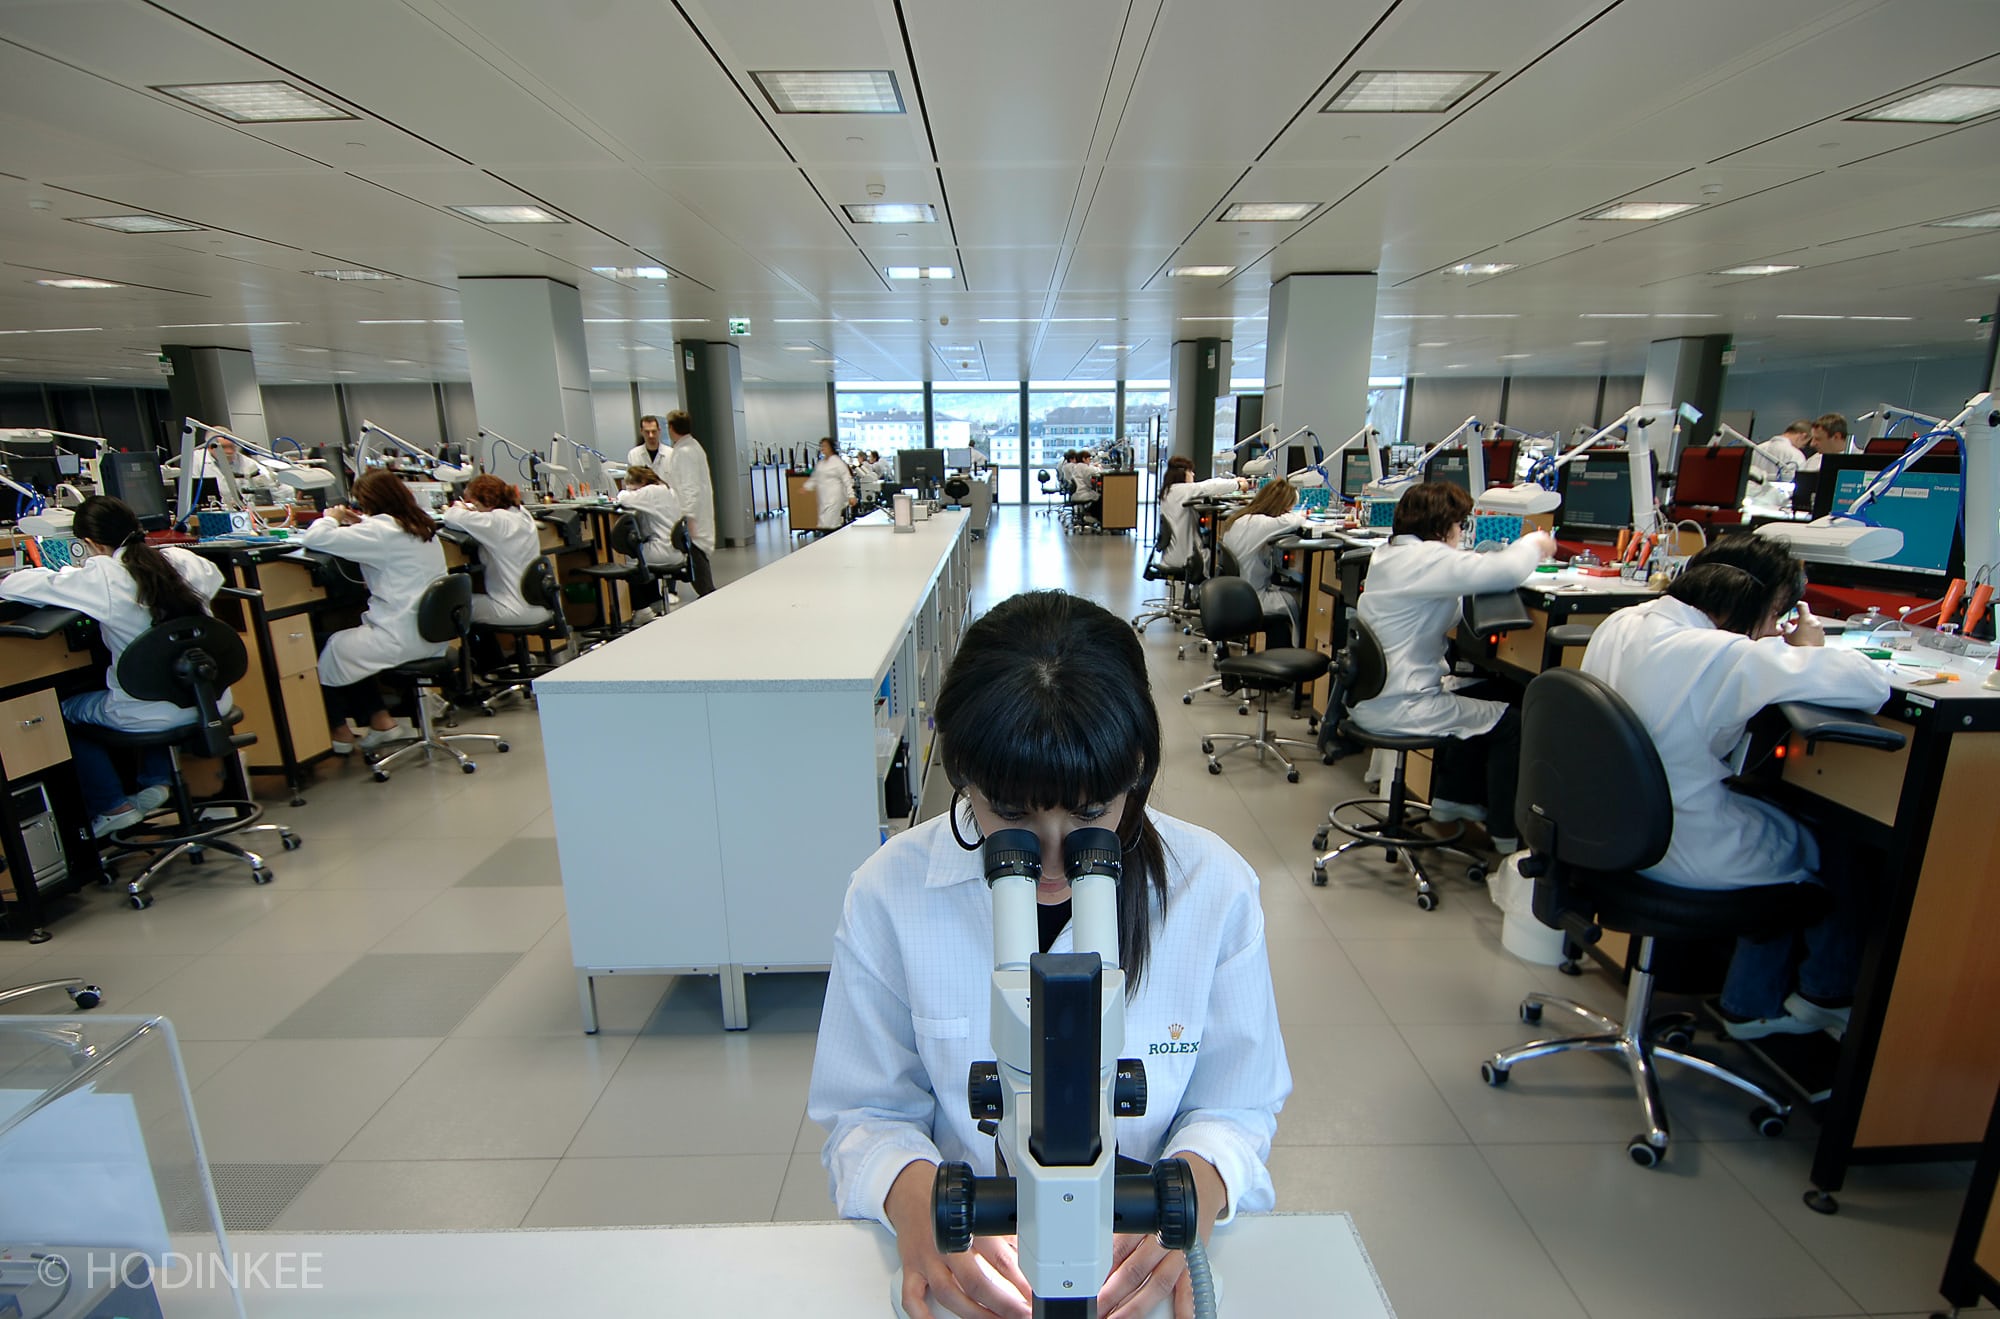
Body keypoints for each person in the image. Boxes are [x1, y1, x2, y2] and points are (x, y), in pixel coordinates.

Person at [809, 590, 1290, 1319]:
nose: (1055, 861)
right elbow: (864, 1111)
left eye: (1092, 814)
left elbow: (1239, 1102)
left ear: (1136, 770)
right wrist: (915, 1198)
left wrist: (1191, 1187)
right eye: (1010, 815)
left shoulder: (1213, 888)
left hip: (1136, 1273)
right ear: (963, 776)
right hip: (974, 1271)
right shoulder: (888, 893)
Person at [1581, 535, 1890, 1038]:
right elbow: (1870, 685)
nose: (1771, 632)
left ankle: (1752, 996)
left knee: (1772, 810)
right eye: (1774, 617)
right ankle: (1814, 995)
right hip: (1679, 849)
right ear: (1755, 603)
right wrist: (1809, 652)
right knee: (1836, 843)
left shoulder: (1623, 621)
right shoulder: (1723, 654)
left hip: (1605, 832)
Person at [0, 497, 230, 836]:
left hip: (150, 714)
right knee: (156, 682)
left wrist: (65, 573)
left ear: (90, 543)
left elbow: (15, 586)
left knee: (58, 712)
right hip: (210, 699)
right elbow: (216, 577)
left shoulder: (104, 576)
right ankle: (156, 781)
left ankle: (112, 806)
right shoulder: (183, 560)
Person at [1347, 481, 1554, 854]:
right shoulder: (1427, 559)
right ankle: (1507, 839)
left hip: (1376, 696)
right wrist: (1534, 544)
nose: (1462, 533)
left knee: (1490, 691)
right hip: (1402, 705)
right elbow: (1508, 571)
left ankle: (1451, 802)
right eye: (1460, 525)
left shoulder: (1389, 554)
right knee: (1514, 723)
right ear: (1444, 527)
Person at [304, 470, 449, 754]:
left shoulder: (379, 531)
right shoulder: (422, 526)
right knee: (348, 645)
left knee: (322, 646)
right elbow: (380, 535)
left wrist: (331, 518)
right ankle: (381, 722)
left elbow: (314, 538)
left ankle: (341, 733)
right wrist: (363, 523)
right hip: (433, 634)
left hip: (400, 637)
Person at [440, 474, 549, 630]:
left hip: (512, 609)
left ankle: (477, 654)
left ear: (479, 502)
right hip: (540, 606)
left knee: (453, 607)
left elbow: (452, 516)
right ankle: (499, 654)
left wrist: (459, 506)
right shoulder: (521, 513)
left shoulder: (495, 522)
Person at [1218, 480, 1311, 643]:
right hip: (1252, 598)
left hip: (1233, 596)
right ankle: (1296, 651)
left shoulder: (1241, 519)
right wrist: (1296, 513)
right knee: (1299, 601)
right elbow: (1294, 520)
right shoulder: (1263, 523)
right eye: (1287, 508)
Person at [613, 467, 688, 623]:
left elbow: (624, 498)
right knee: (642, 551)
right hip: (675, 550)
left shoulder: (652, 491)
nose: (631, 490)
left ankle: (642, 609)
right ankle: (655, 601)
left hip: (662, 550)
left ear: (642, 482)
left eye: (632, 486)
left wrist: (623, 491)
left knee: (630, 560)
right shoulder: (667, 490)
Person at [1159, 457, 1248, 573]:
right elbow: (1208, 486)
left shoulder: (1169, 491)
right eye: (1190, 471)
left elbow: (1204, 488)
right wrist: (1237, 484)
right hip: (1185, 558)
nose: (1193, 474)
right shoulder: (1181, 490)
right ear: (1182, 473)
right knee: (1222, 558)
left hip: (1171, 556)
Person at [664, 410, 716, 596]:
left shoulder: (685, 452)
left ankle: (710, 598)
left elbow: (690, 488)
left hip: (693, 517)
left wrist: (689, 518)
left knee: (697, 560)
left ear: (671, 428)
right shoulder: (692, 447)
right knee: (696, 559)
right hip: (695, 514)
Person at [807, 436, 856, 534]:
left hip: (835, 497)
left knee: (832, 524)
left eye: (825, 446)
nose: (822, 448)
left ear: (831, 447)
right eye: (821, 446)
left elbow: (847, 479)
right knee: (824, 524)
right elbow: (815, 477)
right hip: (823, 498)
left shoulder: (837, 462)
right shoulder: (821, 463)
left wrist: (851, 495)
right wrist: (806, 487)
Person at [625, 414, 672, 481]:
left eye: (654, 431)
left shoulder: (671, 454)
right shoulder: (633, 455)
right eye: (647, 432)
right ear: (641, 431)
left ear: (659, 430)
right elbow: (630, 482)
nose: (651, 435)